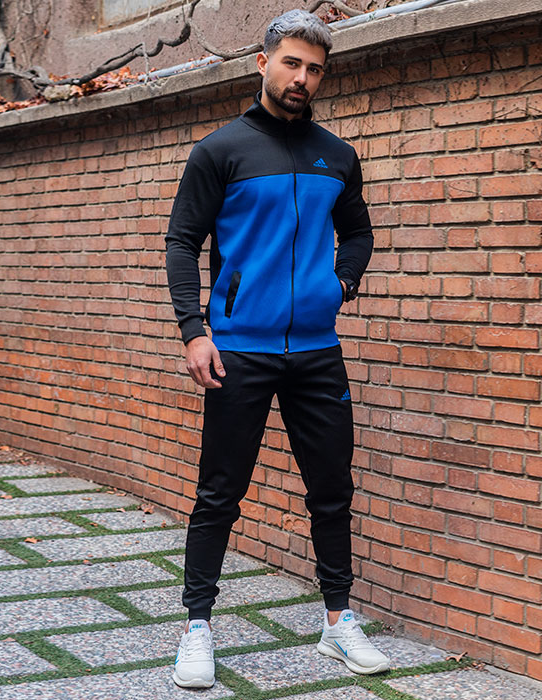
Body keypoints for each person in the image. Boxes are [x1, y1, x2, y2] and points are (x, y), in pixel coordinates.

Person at [166, 9, 389, 689]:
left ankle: (337, 622)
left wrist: (340, 282)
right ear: (263, 63)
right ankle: (197, 628)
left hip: (318, 350)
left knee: (332, 489)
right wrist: (194, 331)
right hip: (239, 349)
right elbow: (182, 242)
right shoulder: (221, 151)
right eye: (291, 63)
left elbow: (359, 232)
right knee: (220, 492)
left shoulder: (337, 156)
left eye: (314, 69)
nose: (302, 78)